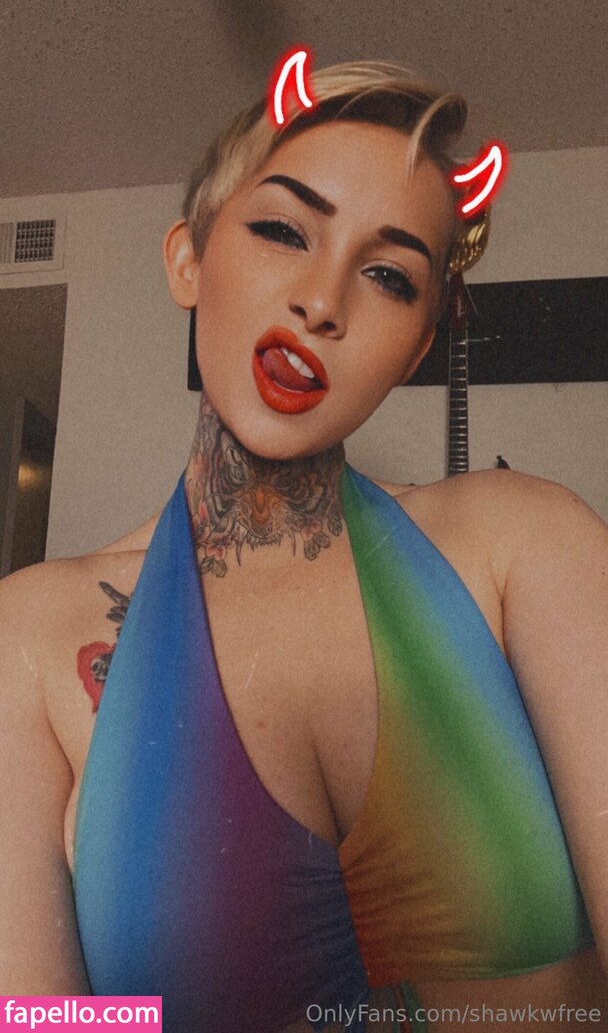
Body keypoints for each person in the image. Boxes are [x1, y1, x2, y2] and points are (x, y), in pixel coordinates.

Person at [1, 60, 607, 1033]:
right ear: (188, 260)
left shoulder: (524, 541)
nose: (324, 302)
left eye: (388, 275)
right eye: (284, 231)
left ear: (414, 349)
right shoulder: (32, 630)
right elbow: (33, 1017)